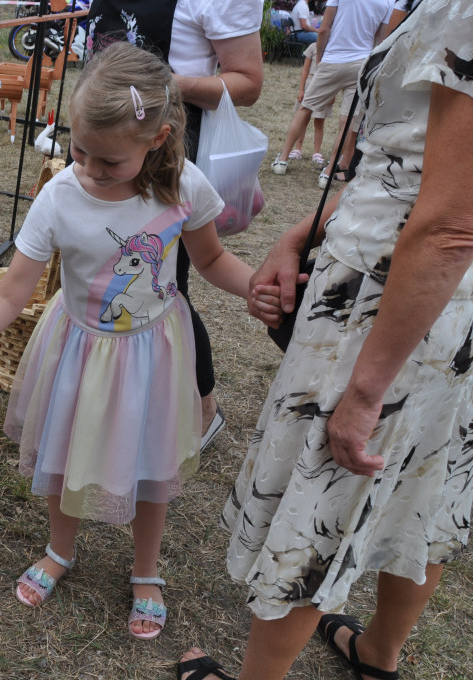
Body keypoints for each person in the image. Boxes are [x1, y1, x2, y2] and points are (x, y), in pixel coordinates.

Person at [0, 43, 280, 641]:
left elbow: (211, 260)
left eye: (107, 161)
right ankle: (61, 549)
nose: (87, 168)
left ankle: (146, 571)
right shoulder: (60, 196)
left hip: (154, 354)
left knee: (151, 464)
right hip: (77, 347)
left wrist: (254, 289)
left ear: (156, 138)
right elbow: (7, 296)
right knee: (64, 455)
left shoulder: (184, 186)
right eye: (78, 150)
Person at [178, 0, 473, 678]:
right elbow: (409, 161)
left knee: (324, 495)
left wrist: (366, 391)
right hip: (432, 304)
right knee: (424, 485)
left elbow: (452, 224)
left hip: (394, 306)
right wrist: (298, 233)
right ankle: (377, 657)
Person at [85, 0, 265, 452]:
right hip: (109, 143)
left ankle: (201, 407)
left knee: (167, 287)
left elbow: (248, 82)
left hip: (158, 157)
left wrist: (152, 88)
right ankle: (124, 400)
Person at [270, 0, 394, 183]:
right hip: (361, 64)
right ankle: (328, 173)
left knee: (305, 108)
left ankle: (282, 160)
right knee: (347, 121)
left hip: (333, 59)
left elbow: (324, 28)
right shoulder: (388, 2)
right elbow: (381, 38)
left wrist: (319, 59)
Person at [287, 43, 331, 166]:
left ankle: (316, 153)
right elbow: (305, 69)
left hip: (325, 87)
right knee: (303, 119)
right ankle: (298, 149)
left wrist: (332, 94)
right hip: (309, 85)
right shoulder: (313, 47)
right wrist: (301, 89)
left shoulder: (334, 49)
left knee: (319, 121)